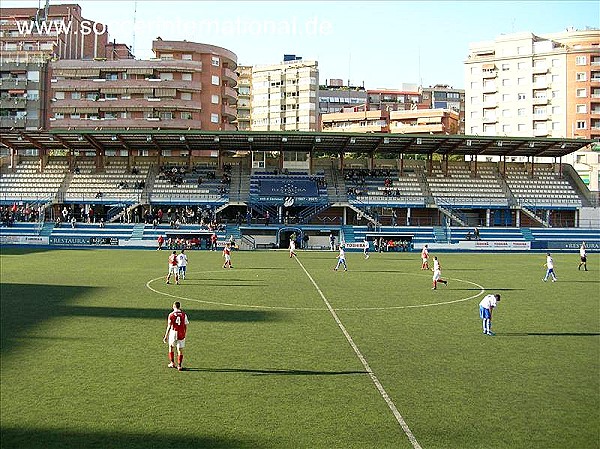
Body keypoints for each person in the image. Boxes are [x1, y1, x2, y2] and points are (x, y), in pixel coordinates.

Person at [163, 301, 189, 371]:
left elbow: (169, 326)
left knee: (171, 347)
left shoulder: (171, 315)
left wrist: (166, 336)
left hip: (173, 332)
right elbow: (185, 325)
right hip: (181, 333)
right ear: (179, 306)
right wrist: (184, 333)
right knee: (180, 349)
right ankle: (179, 366)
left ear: (174, 306)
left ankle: (172, 363)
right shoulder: (184, 314)